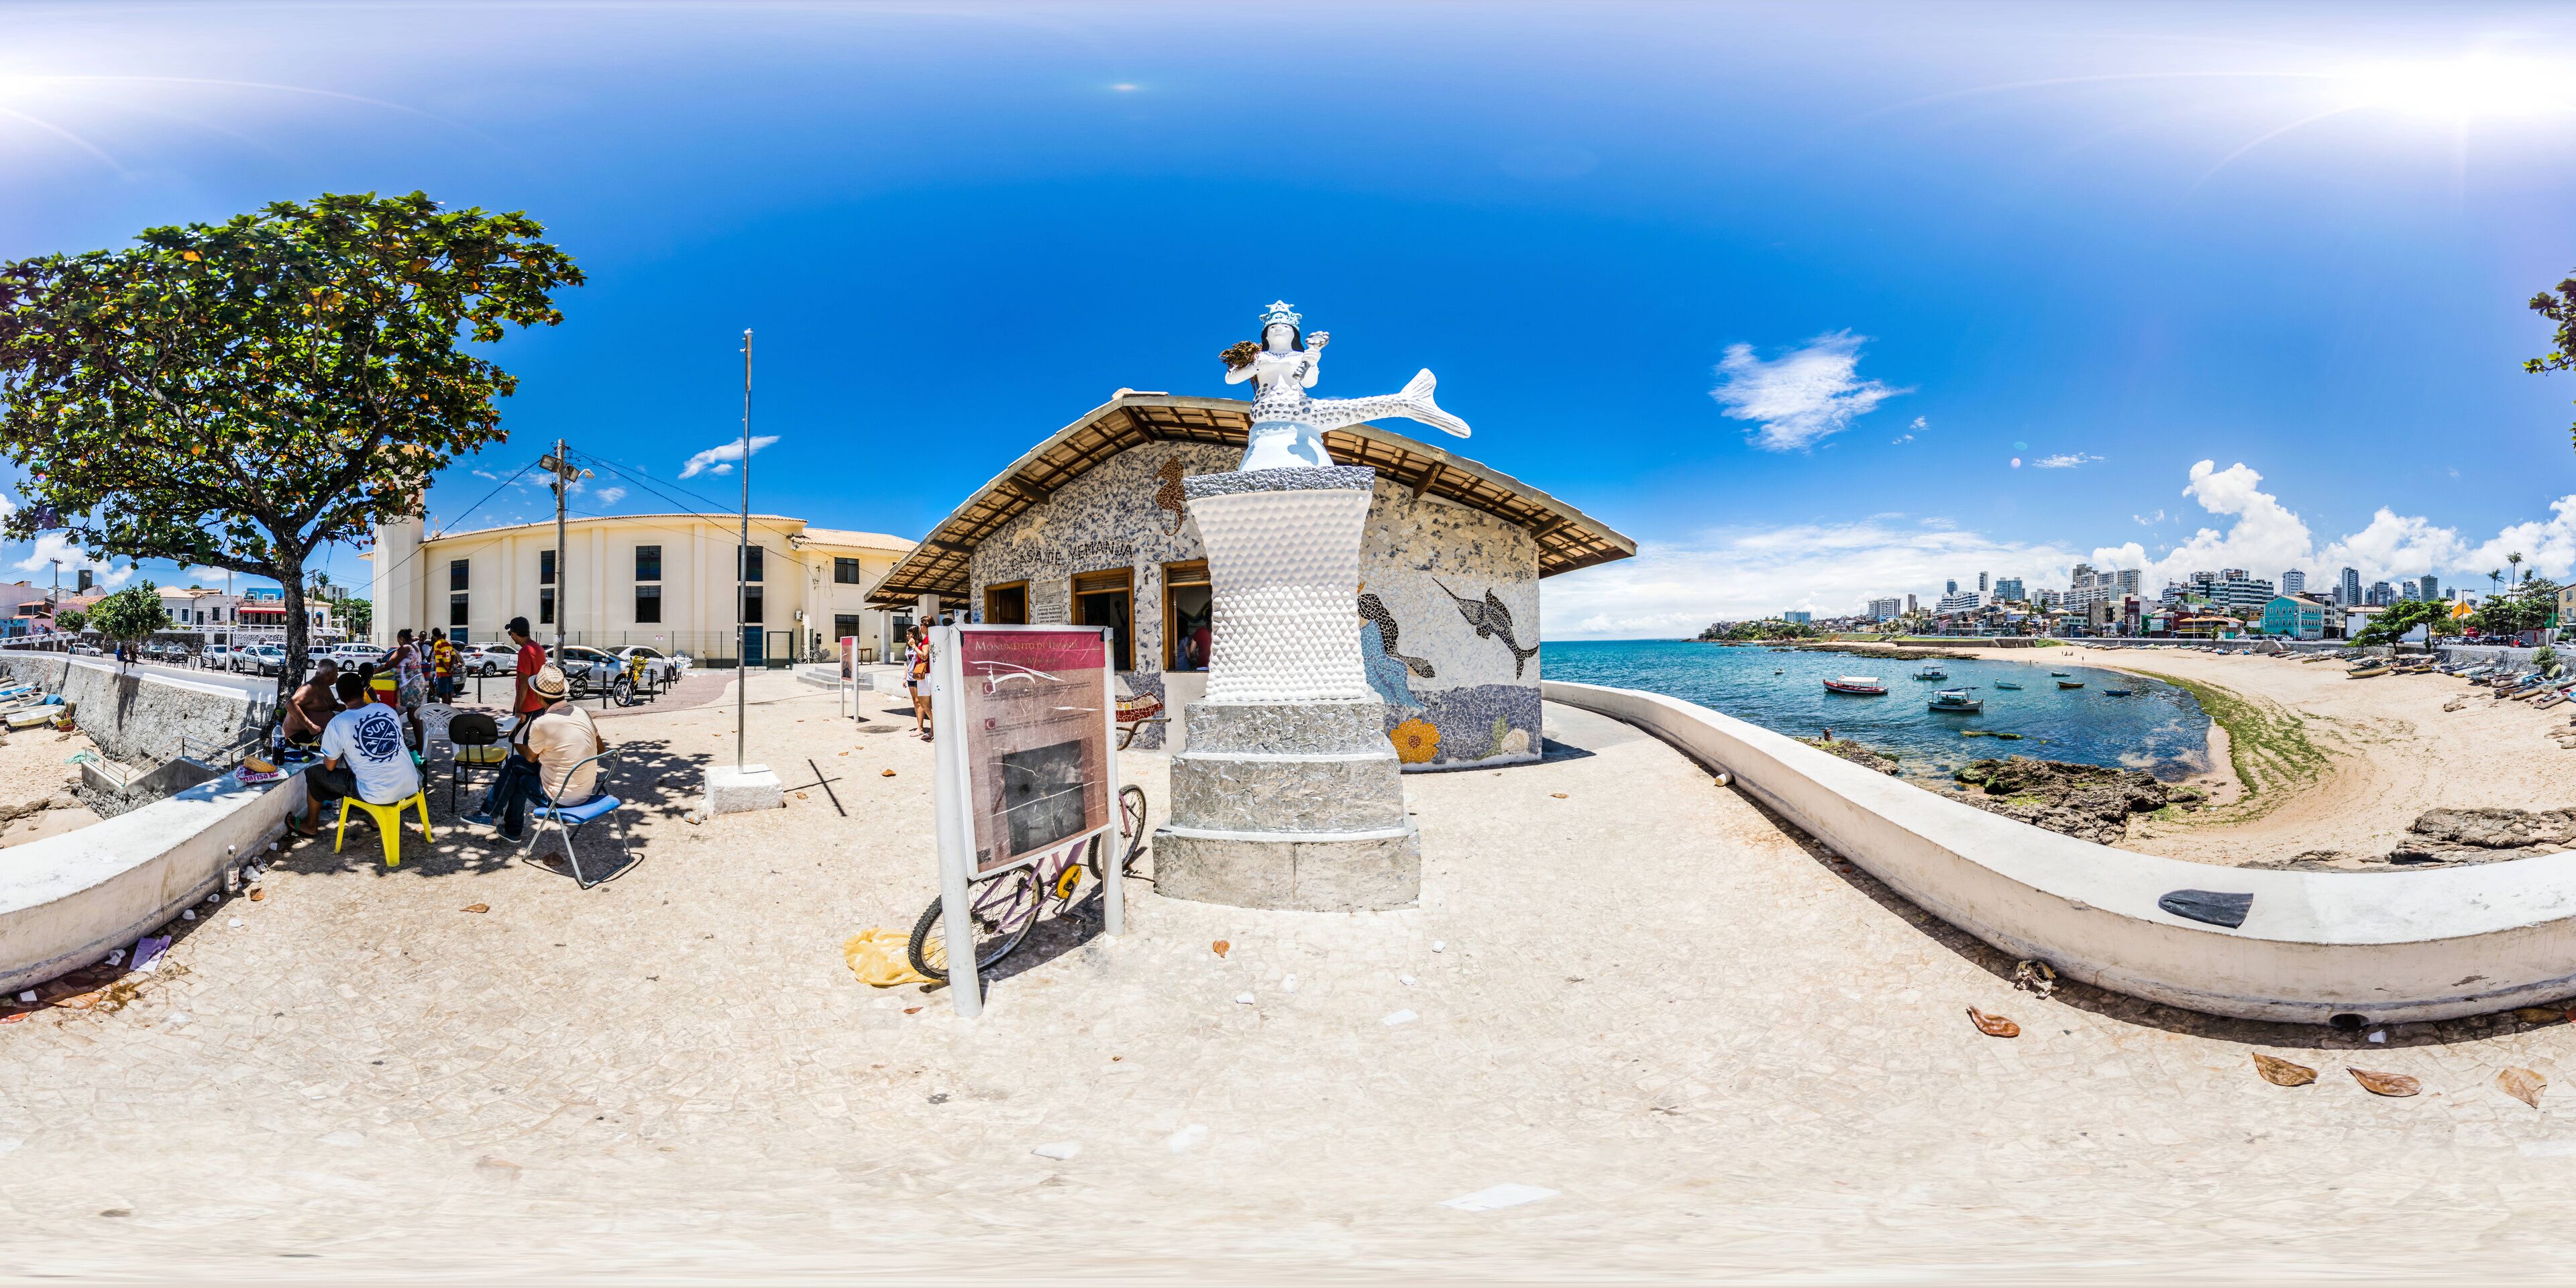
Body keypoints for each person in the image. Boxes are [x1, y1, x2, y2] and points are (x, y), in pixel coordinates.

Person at [466, 664, 602, 844]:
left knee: (517, 770)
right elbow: (601, 750)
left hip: (562, 798)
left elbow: (530, 758)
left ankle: (493, 817)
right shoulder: (582, 713)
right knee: (517, 769)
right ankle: (504, 825)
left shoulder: (542, 723)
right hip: (584, 790)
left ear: (538, 696)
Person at [292, 672, 419, 838]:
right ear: (362, 691)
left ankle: (310, 825)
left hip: (378, 793)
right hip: (411, 785)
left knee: (315, 774)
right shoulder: (385, 709)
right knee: (371, 766)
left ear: (340, 697)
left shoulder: (339, 722)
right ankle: (375, 820)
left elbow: (329, 766)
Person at [282, 659, 343, 746]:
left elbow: (335, 707)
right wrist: (311, 727)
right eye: (336, 672)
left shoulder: (325, 687)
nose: (337, 675)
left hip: (314, 734)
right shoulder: (310, 687)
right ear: (329, 674)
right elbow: (290, 705)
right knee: (336, 742)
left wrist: (358, 710)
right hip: (297, 737)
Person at [508, 616, 548, 720]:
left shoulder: (525, 651)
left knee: (517, 736)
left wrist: (518, 710)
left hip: (526, 707)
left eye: (510, 634)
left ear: (514, 634)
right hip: (539, 703)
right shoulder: (539, 648)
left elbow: (524, 684)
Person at [904, 626, 933, 740]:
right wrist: (904, 677)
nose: (907, 635)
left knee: (921, 702)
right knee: (915, 702)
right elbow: (907, 662)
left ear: (914, 634)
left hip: (920, 675)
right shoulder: (908, 647)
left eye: (909, 633)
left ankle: (921, 727)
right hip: (911, 676)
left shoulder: (920, 644)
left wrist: (914, 646)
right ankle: (919, 725)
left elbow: (924, 656)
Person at [429, 628, 459, 702]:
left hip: (442, 672)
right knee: (449, 691)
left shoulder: (437, 644)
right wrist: (450, 668)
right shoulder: (448, 643)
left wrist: (447, 669)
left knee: (444, 692)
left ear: (434, 635)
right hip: (449, 672)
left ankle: (445, 709)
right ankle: (448, 709)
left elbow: (440, 659)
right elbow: (454, 656)